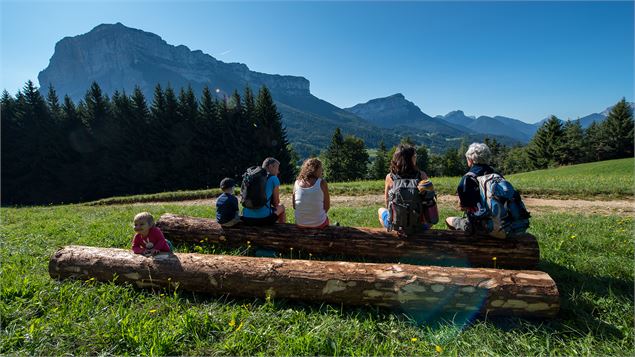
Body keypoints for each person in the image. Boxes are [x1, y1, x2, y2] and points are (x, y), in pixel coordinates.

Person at [377, 144, 436, 233]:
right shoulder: (422, 175)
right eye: (415, 156)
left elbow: (387, 202)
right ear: (411, 159)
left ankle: (393, 233)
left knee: (380, 211)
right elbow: (428, 202)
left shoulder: (390, 177)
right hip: (420, 226)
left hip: (396, 225)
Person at [445, 142, 496, 232]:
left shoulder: (468, 178)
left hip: (480, 225)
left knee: (449, 220)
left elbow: (463, 207)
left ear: (471, 160)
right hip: (502, 223)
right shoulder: (496, 174)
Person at [241, 157, 286, 225]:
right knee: (281, 207)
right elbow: (276, 203)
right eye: (277, 168)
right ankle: (283, 231)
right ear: (270, 166)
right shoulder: (274, 178)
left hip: (246, 217)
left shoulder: (251, 177)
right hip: (263, 219)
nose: (278, 171)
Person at [293, 158, 330, 228]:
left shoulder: (296, 183)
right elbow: (327, 207)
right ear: (316, 170)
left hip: (300, 224)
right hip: (319, 224)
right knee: (326, 219)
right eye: (321, 168)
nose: (322, 171)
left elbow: (294, 206)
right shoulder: (322, 183)